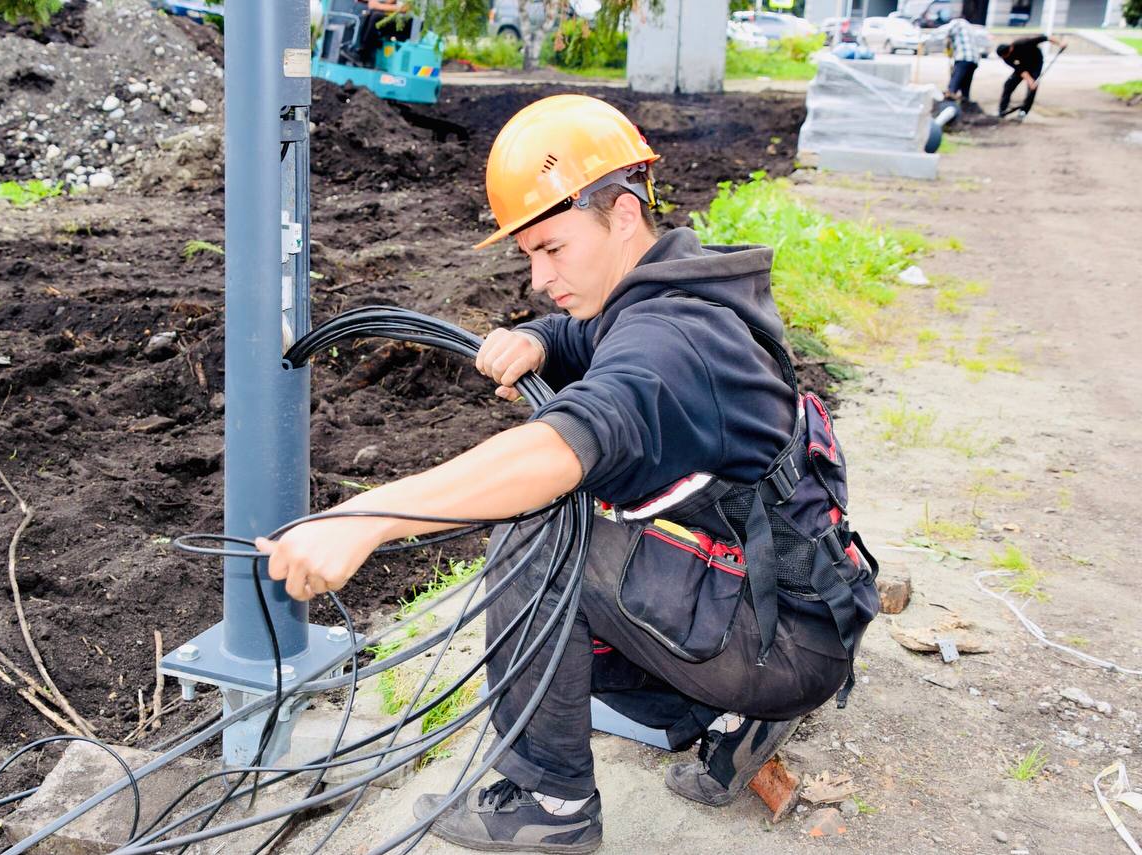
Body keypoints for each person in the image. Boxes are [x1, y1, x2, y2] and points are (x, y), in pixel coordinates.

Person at [256, 94, 878, 853]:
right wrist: (542, 341)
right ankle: (709, 710)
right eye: (528, 256)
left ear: (621, 214)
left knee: (544, 534)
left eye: (551, 248)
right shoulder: (684, 288)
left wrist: (367, 515)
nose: (537, 276)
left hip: (781, 645)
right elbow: (592, 336)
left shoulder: (672, 344)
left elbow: (554, 453)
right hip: (796, 606)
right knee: (582, 546)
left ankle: (551, 804)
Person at [997, 34, 1066, 119]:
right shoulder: (1005, 57)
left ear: (1010, 49)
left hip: (1035, 63)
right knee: (1008, 84)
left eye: (1006, 56)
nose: (1005, 58)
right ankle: (1002, 109)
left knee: (1032, 87)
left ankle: (1023, 111)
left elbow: (1044, 37)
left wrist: (1060, 43)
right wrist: (1029, 80)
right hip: (1022, 65)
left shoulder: (1023, 43)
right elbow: (1020, 69)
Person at [943, 15, 979, 104]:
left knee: (953, 86)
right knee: (965, 85)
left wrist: (947, 45)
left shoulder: (957, 22)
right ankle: (965, 103)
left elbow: (945, 32)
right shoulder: (969, 27)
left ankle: (948, 105)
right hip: (974, 60)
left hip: (963, 57)